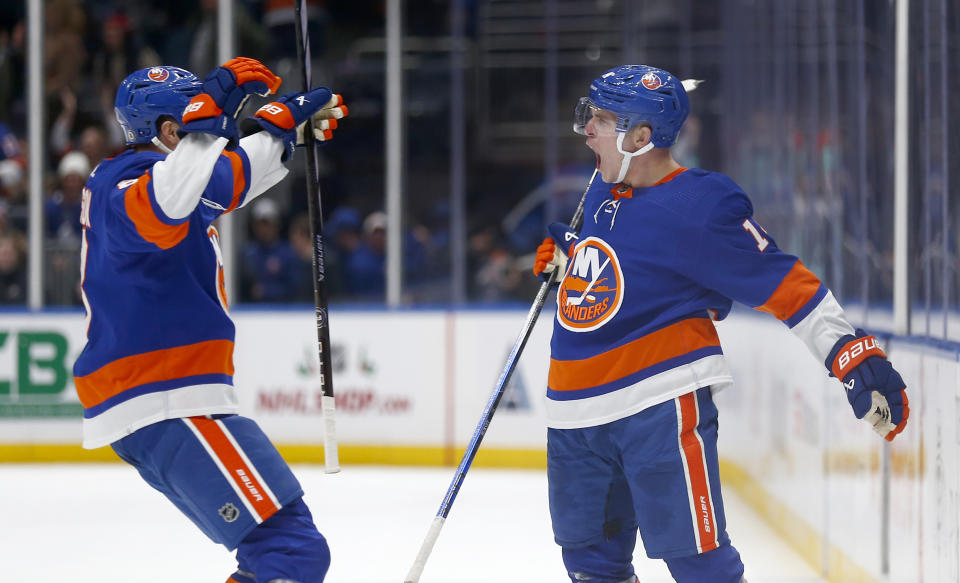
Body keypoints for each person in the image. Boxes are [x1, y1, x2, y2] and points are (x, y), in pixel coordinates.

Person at [531, 65, 909, 583]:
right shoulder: (602, 185)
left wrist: (849, 351)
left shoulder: (700, 204)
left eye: (601, 119)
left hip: (655, 407)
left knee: (700, 566)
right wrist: (571, 256)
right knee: (591, 566)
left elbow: (780, 279)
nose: (587, 130)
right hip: (574, 414)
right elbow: (630, 260)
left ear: (642, 138)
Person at [72, 59, 346, 583]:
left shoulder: (170, 179)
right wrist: (213, 121)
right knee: (290, 553)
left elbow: (228, 177)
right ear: (171, 131)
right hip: (166, 397)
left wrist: (280, 132)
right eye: (198, 122)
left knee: (285, 550)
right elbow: (166, 202)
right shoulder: (123, 183)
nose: (215, 134)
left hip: (171, 399)